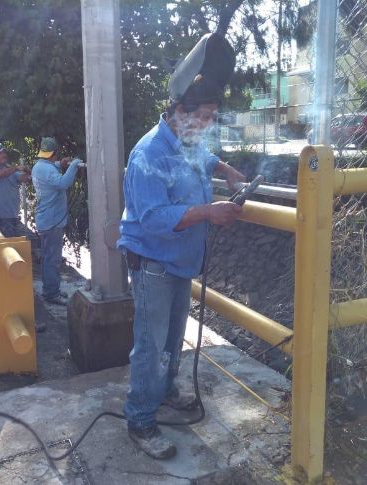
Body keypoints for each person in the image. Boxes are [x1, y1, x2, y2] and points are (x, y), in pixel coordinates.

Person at [116, 33, 246, 460]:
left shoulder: (186, 140)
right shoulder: (148, 155)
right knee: (152, 344)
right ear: (180, 112)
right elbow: (152, 218)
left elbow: (203, 159)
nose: (208, 123)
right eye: (205, 115)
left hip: (178, 262)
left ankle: (166, 391)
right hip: (154, 264)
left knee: (173, 337)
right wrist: (210, 213)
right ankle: (140, 419)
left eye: (212, 116)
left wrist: (226, 170)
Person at [30, 137, 82, 306]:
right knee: (52, 259)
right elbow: (63, 183)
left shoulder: (39, 166)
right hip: (52, 222)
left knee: (47, 258)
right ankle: (52, 293)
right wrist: (74, 165)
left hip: (46, 220)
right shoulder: (47, 170)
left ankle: (49, 290)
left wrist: (61, 164)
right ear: (54, 153)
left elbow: (52, 168)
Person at [0, 143, 32, 238]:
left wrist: (28, 172)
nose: (3, 155)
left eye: (4, 152)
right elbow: (0, 175)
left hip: (13, 214)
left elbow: (23, 178)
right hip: (1, 217)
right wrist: (15, 168)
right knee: (9, 244)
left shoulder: (9, 169)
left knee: (18, 242)